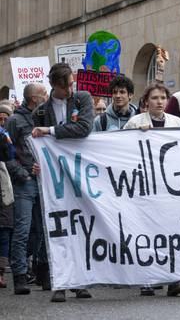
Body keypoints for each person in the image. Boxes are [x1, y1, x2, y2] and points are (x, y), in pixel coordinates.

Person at [31, 63, 95, 303]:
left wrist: (48, 131)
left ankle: (81, 282)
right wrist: (35, 164)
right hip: (54, 178)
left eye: (71, 84)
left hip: (80, 173)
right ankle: (60, 282)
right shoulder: (40, 111)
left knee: (81, 224)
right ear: (54, 86)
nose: (71, 88)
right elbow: (33, 143)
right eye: (66, 85)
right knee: (58, 228)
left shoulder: (82, 99)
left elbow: (84, 128)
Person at [122, 83, 180, 296]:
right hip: (144, 187)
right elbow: (119, 151)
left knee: (171, 232)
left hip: (170, 187)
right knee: (147, 232)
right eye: (155, 98)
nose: (159, 102)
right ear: (146, 102)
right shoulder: (134, 123)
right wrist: (135, 137)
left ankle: (173, 279)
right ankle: (147, 280)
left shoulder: (177, 122)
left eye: (163, 98)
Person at [4, 84, 47, 295]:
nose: (47, 96)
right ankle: (20, 275)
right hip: (25, 183)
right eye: (44, 93)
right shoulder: (14, 121)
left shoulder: (44, 118)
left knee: (43, 230)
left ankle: (42, 271)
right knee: (22, 230)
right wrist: (24, 173)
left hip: (44, 182)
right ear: (34, 98)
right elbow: (6, 155)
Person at [0, 110, 14, 289]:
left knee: (3, 231)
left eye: (5, 119)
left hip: (3, 187)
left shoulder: (5, 135)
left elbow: (10, 155)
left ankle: (1, 272)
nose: (2, 122)